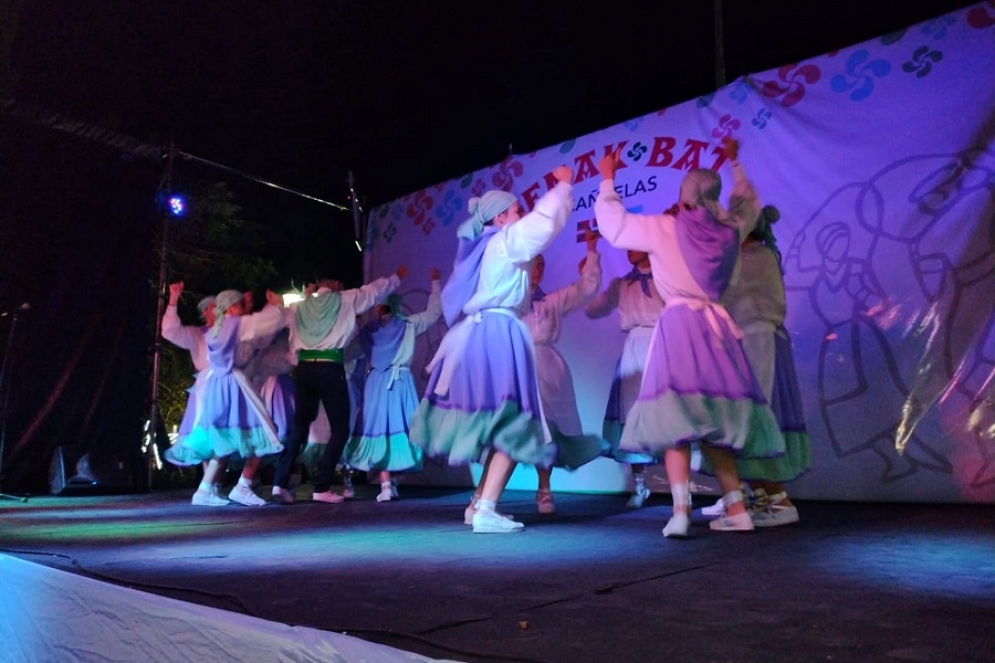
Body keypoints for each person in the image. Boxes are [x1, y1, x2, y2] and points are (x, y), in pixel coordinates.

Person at [593, 139, 784, 537]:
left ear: (681, 200)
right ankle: (737, 509)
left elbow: (616, 226)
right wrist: (735, 162)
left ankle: (681, 512)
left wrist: (608, 178)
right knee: (714, 418)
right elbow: (748, 203)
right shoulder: (728, 231)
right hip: (716, 330)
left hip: (680, 326)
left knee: (674, 420)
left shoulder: (666, 227)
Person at [410, 166, 574, 533]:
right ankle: (485, 508)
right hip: (499, 333)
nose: (520, 216)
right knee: (514, 424)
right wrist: (562, 185)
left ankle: (477, 504)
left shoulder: (484, 247)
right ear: (501, 217)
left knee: (504, 422)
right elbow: (543, 224)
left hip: (482, 334)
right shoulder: (505, 240)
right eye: (516, 211)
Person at [271, 269, 405, 505]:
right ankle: (321, 487)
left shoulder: (299, 307)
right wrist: (396, 277)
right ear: (334, 285)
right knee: (341, 428)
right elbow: (373, 292)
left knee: (300, 427)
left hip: (304, 369)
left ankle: (279, 484)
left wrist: (300, 299)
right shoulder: (345, 298)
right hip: (329, 367)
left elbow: (283, 316)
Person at [713, 204, 811, 525]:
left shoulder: (755, 258)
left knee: (757, 419)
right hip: (749, 343)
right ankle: (762, 496)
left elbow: (730, 298)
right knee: (747, 421)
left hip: (759, 345)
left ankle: (779, 500)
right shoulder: (748, 257)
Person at [165, 288, 288, 506]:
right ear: (231, 307)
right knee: (264, 432)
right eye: (240, 305)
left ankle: (206, 489)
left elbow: (254, 333)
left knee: (224, 438)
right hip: (233, 384)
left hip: (219, 385)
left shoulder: (218, 329)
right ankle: (242, 485)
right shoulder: (232, 325)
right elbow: (262, 323)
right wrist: (277, 306)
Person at [517, 233, 604, 514]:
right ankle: (485, 497)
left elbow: (584, 289)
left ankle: (544, 490)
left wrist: (591, 250)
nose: (538, 269)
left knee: (548, 430)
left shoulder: (551, 301)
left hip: (547, 368)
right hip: (517, 366)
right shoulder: (508, 300)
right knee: (513, 427)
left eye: (542, 265)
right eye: (534, 264)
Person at [344, 268, 442, 502]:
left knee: (380, 430)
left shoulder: (369, 332)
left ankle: (388, 483)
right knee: (397, 430)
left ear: (379, 306)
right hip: (399, 383)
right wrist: (436, 284)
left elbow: (349, 353)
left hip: (378, 384)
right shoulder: (409, 324)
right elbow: (433, 313)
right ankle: (390, 482)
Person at [585, 247, 665, 508]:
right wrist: (588, 281)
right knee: (631, 416)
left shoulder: (666, 275)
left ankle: (681, 487)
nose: (630, 250)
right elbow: (593, 309)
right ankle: (640, 485)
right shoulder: (622, 284)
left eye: (635, 243)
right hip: (633, 349)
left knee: (668, 413)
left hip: (662, 344)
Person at [161, 282, 228, 505]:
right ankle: (206, 488)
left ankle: (213, 485)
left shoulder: (229, 330)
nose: (218, 310)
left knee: (224, 435)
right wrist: (173, 299)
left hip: (226, 385)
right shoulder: (196, 334)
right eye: (213, 307)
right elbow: (170, 331)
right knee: (212, 435)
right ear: (205, 312)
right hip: (208, 387)